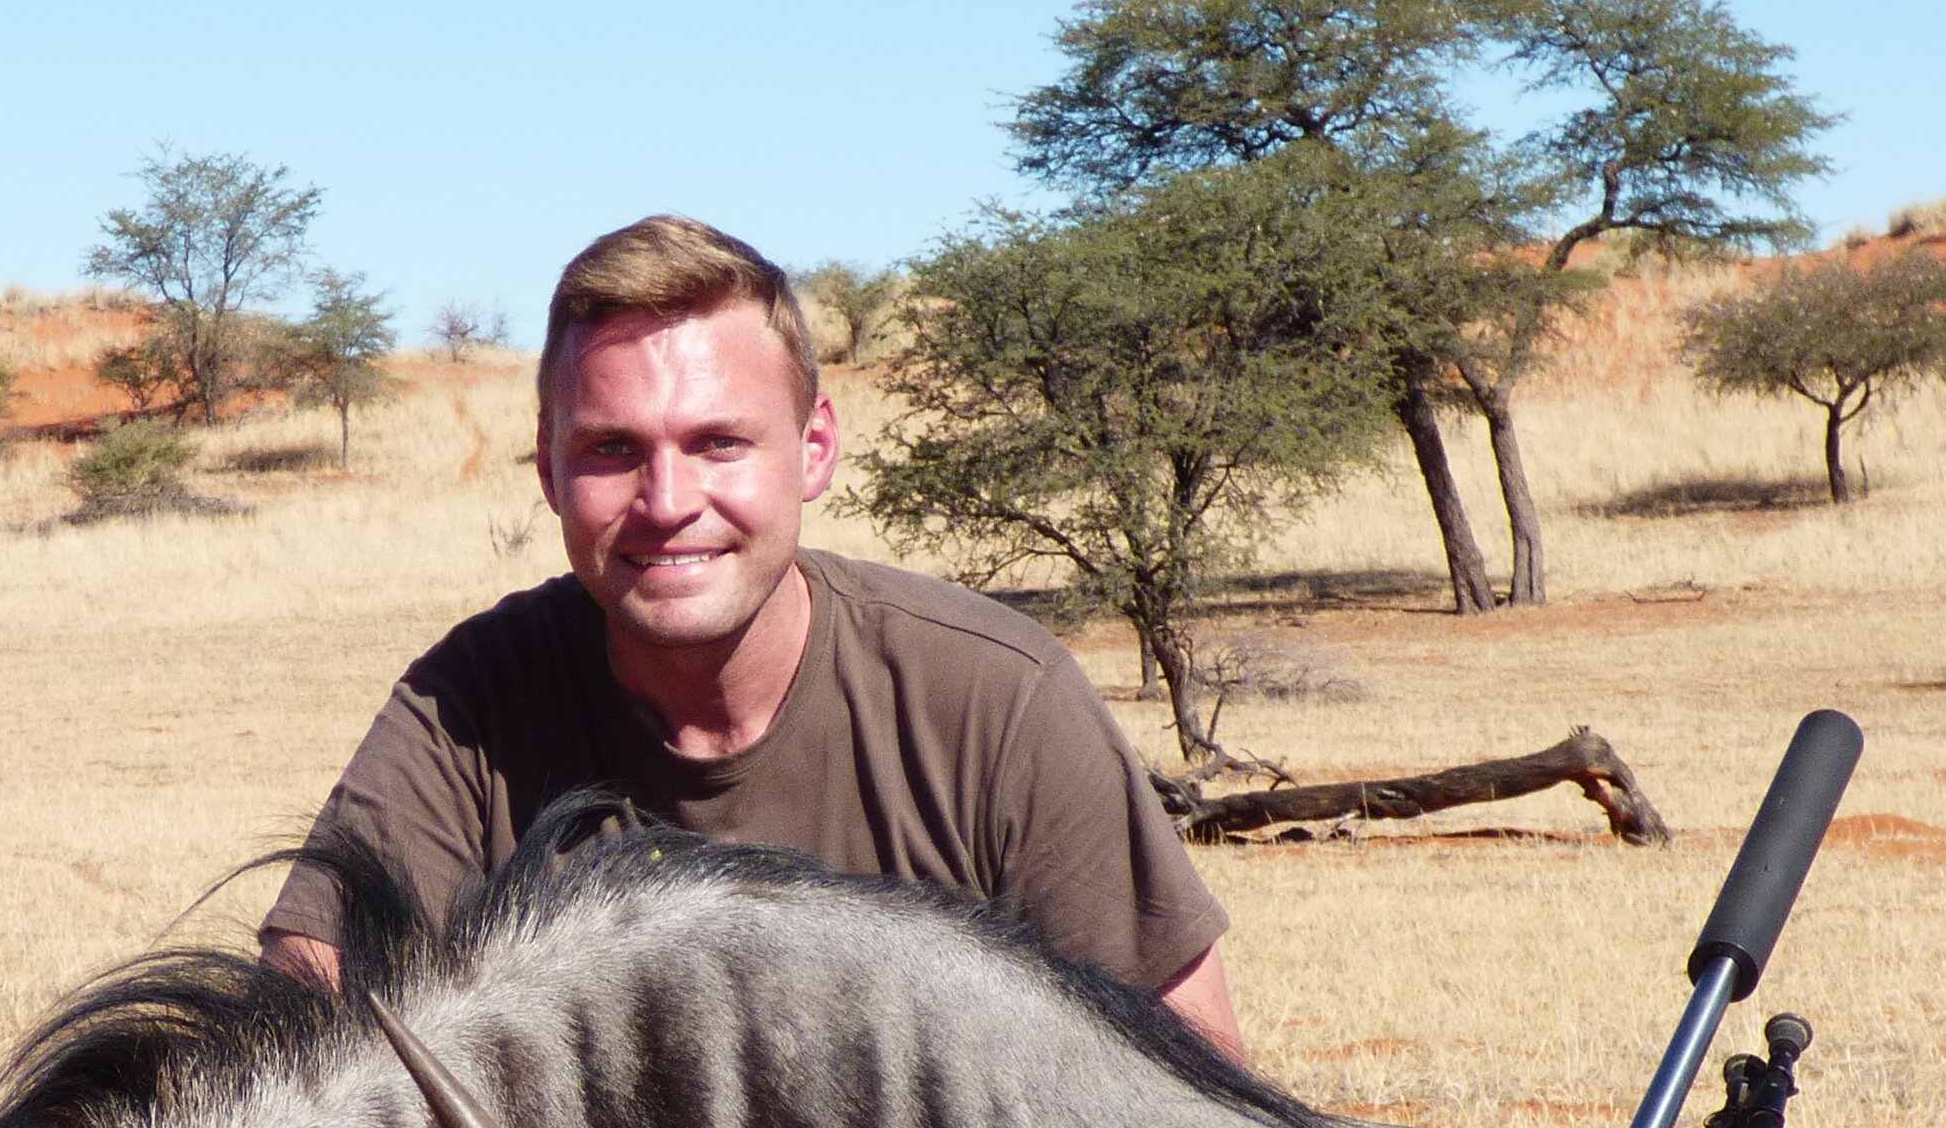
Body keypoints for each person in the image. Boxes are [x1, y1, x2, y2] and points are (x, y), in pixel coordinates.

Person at [260, 214, 1243, 1056]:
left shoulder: (996, 699)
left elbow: (1200, 1094)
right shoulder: (466, 705)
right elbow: (300, 1038)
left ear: (813, 450)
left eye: (718, 443)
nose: (667, 502)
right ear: (551, 475)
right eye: (612, 451)